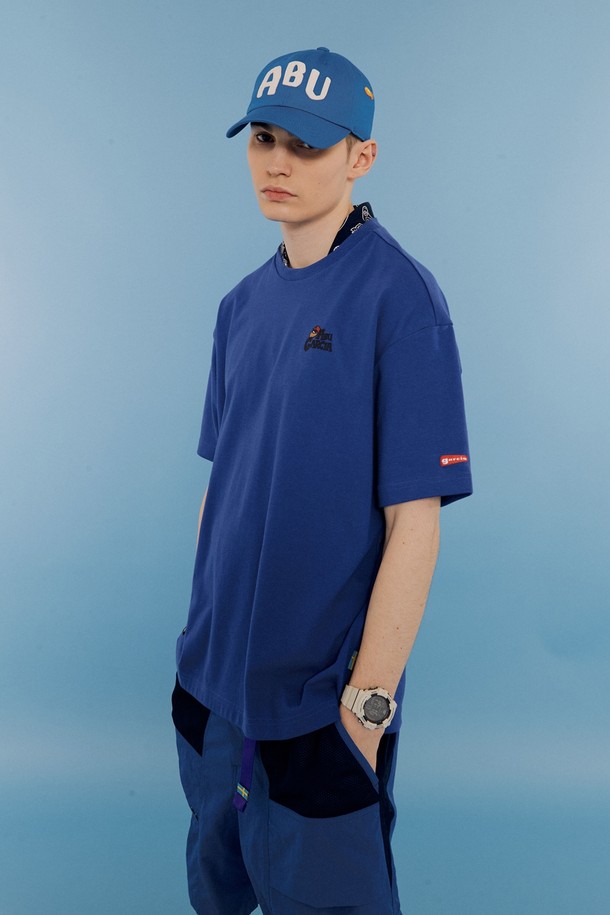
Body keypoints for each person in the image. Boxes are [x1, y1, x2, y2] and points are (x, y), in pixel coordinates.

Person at [172, 47, 472, 915]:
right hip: (213, 688)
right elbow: (223, 488)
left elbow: (415, 522)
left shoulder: (400, 299)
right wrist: (197, 644)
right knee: (218, 892)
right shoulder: (239, 307)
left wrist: (366, 709)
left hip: (318, 703)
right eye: (264, 139)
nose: (279, 162)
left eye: (306, 145)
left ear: (359, 156)